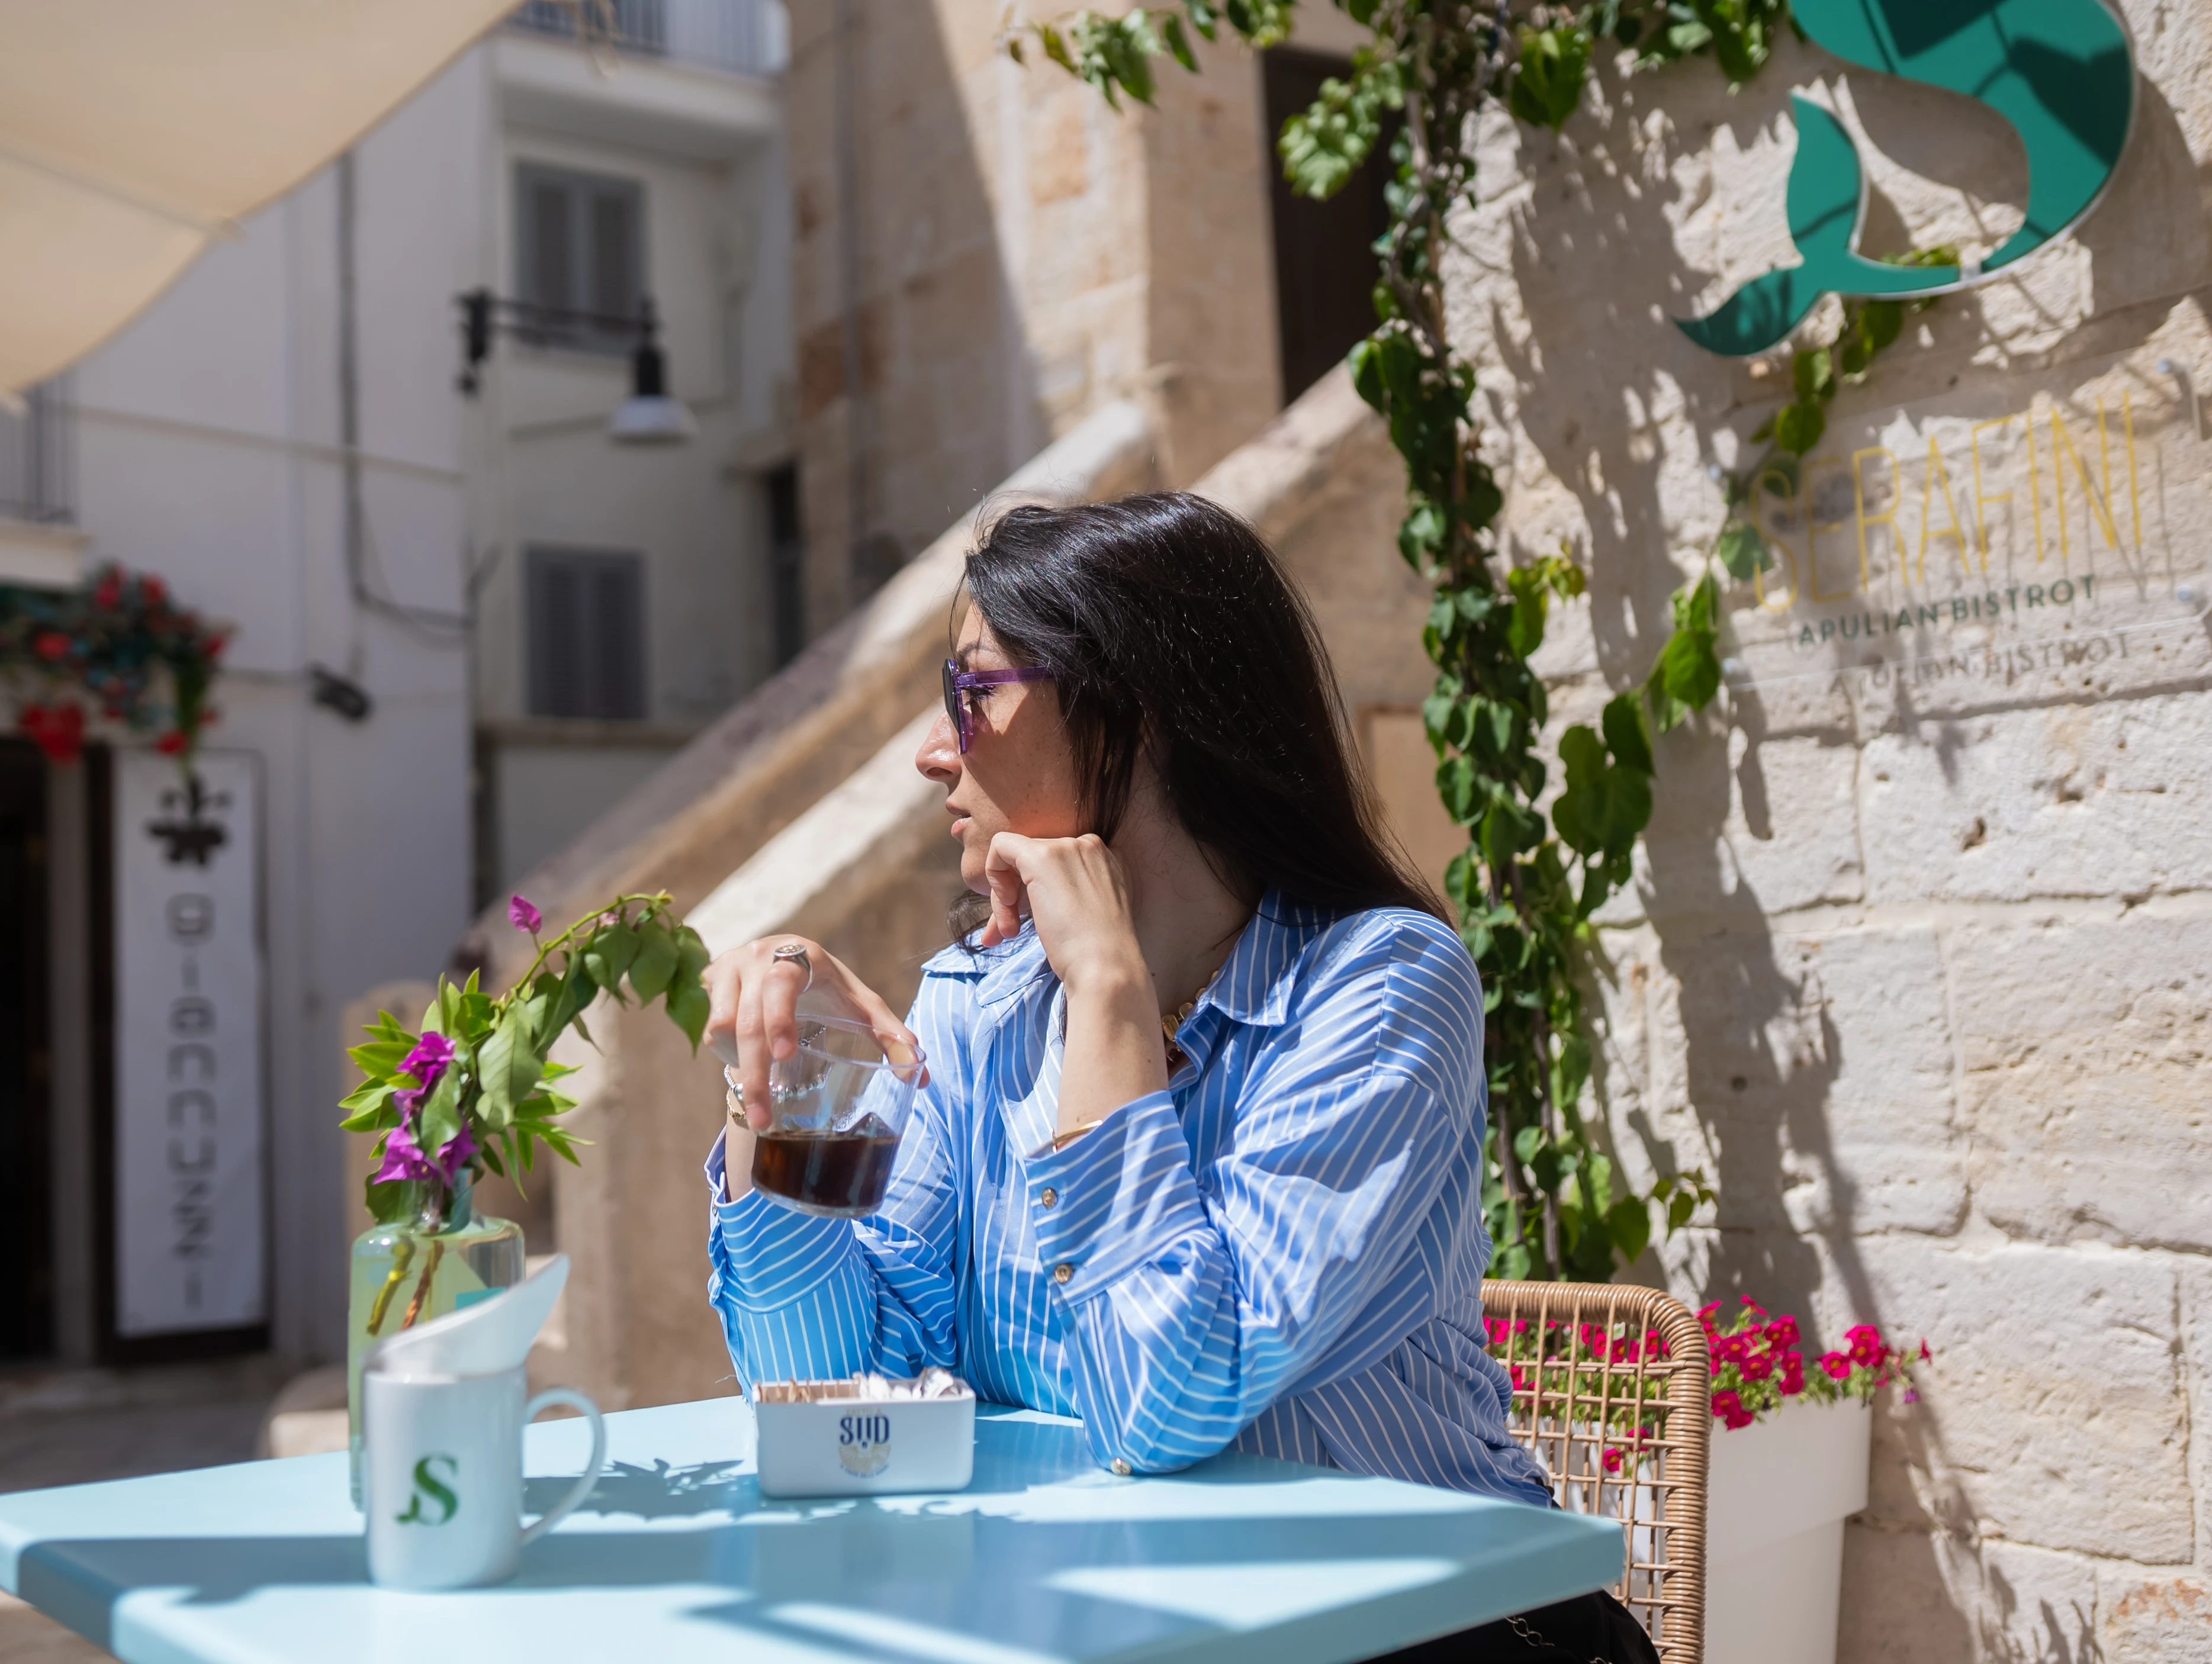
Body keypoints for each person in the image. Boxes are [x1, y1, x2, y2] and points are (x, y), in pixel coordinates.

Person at [700, 493, 1656, 1663]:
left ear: (1133, 713)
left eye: (973, 690)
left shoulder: (1378, 987)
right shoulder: (978, 1002)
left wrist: (1106, 989)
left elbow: (1163, 1396)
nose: (932, 747)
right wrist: (783, 1092)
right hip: (1114, 1625)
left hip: (1419, 1627)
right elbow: (836, 1395)